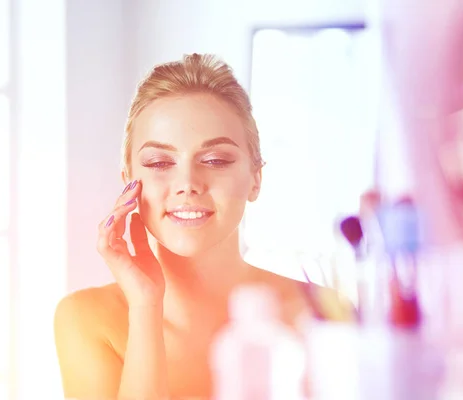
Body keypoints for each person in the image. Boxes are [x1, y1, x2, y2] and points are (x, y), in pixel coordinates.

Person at [53, 53, 353, 400]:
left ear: (255, 179)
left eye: (214, 160)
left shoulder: (326, 314)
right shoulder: (87, 321)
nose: (188, 183)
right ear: (129, 182)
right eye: (160, 162)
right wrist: (145, 307)